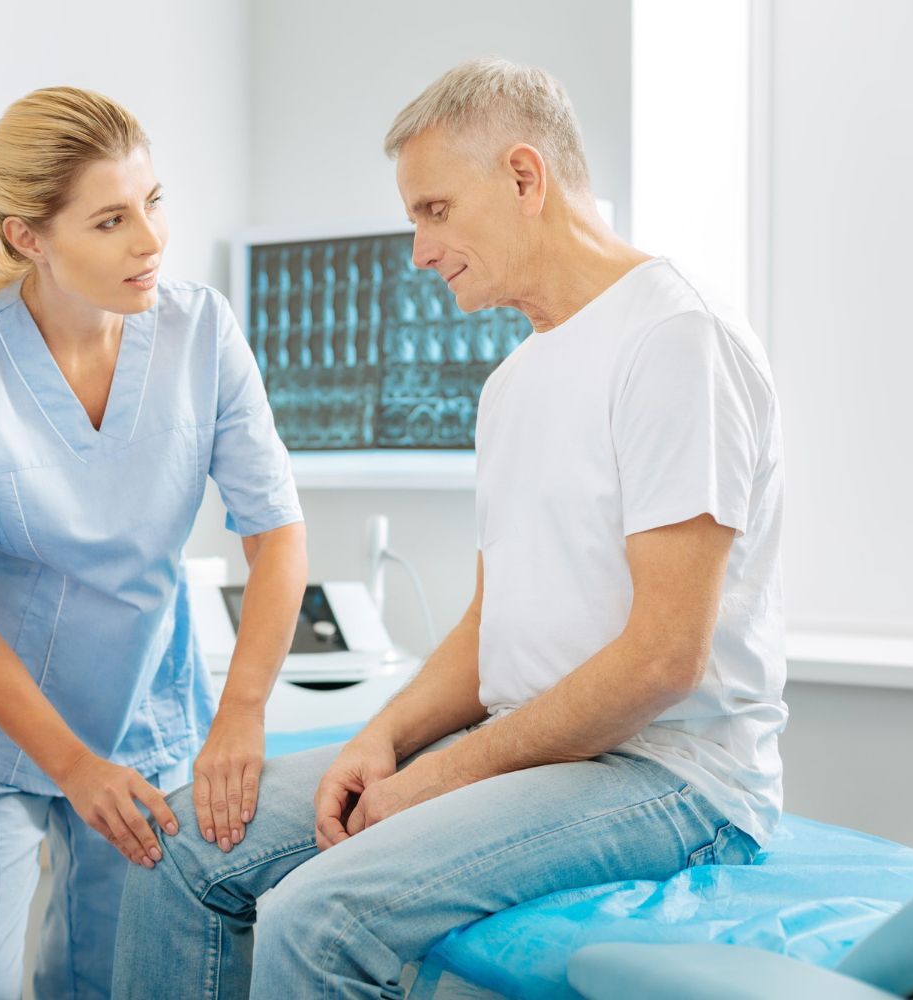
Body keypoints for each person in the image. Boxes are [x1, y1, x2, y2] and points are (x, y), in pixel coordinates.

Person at [113, 57, 787, 999]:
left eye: (434, 211)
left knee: (318, 915)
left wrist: (441, 777)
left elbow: (662, 660)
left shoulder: (677, 342)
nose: (418, 251)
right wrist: (381, 736)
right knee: (181, 842)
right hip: (544, 745)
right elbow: (491, 624)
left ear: (523, 177)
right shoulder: (513, 384)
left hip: (671, 775)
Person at [0, 86, 307, 999]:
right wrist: (71, 767)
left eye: (153, 202)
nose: (151, 240)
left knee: (111, 983)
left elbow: (277, 537)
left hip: (143, 716)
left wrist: (241, 711)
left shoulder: (202, 333)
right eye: (111, 219)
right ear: (25, 237)